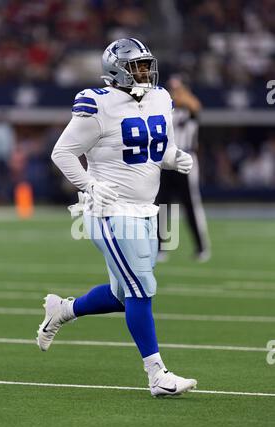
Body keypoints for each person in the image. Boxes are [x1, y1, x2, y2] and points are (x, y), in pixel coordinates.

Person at [36, 38, 197, 397]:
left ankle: (63, 309)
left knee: (123, 293)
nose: (143, 72)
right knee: (142, 288)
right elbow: (62, 153)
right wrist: (89, 184)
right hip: (108, 211)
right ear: (115, 70)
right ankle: (157, 374)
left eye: (145, 65)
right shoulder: (98, 104)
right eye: (135, 67)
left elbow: (154, 145)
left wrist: (174, 158)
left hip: (145, 209)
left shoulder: (160, 98)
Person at [157, 76, 211, 262]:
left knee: (191, 205)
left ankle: (201, 247)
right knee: (162, 204)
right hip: (167, 159)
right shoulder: (164, 108)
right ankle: (159, 247)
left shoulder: (190, 106)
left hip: (185, 158)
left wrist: (180, 91)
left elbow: (195, 105)